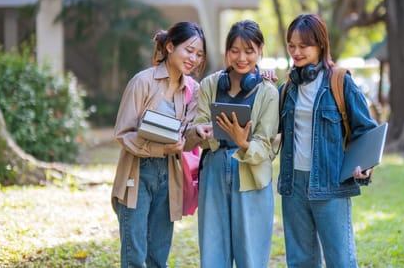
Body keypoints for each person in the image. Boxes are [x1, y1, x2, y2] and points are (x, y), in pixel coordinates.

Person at [277, 13, 378, 267]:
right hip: (293, 185)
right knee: (300, 260)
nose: (296, 52)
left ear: (320, 45)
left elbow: (366, 130)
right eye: (292, 45)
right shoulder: (288, 87)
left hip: (331, 183)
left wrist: (365, 166)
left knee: (340, 259)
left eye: (304, 46)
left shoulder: (340, 82)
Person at [111, 21, 209, 268]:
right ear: (170, 46)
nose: (193, 59)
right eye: (189, 50)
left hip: (170, 176)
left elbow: (184, 139)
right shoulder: (142, 82)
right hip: (137, 173)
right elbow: (123, 133)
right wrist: (159, 149)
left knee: (158, 254)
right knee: (134, 254)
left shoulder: (193, 90)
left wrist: (196, 131)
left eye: (199, 54)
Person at [191, 19, 279, 268]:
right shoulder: (209, 84)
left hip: (252, 177)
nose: (242, 57)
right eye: (235, 50)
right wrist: (203, 132)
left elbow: (266, 143)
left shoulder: (269, 92)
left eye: (249, 51)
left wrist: (244, 143)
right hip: (214, 174)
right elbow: (199, 124)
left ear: (260, 51)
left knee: (251, 255)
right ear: (226, 51)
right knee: (212, 254)